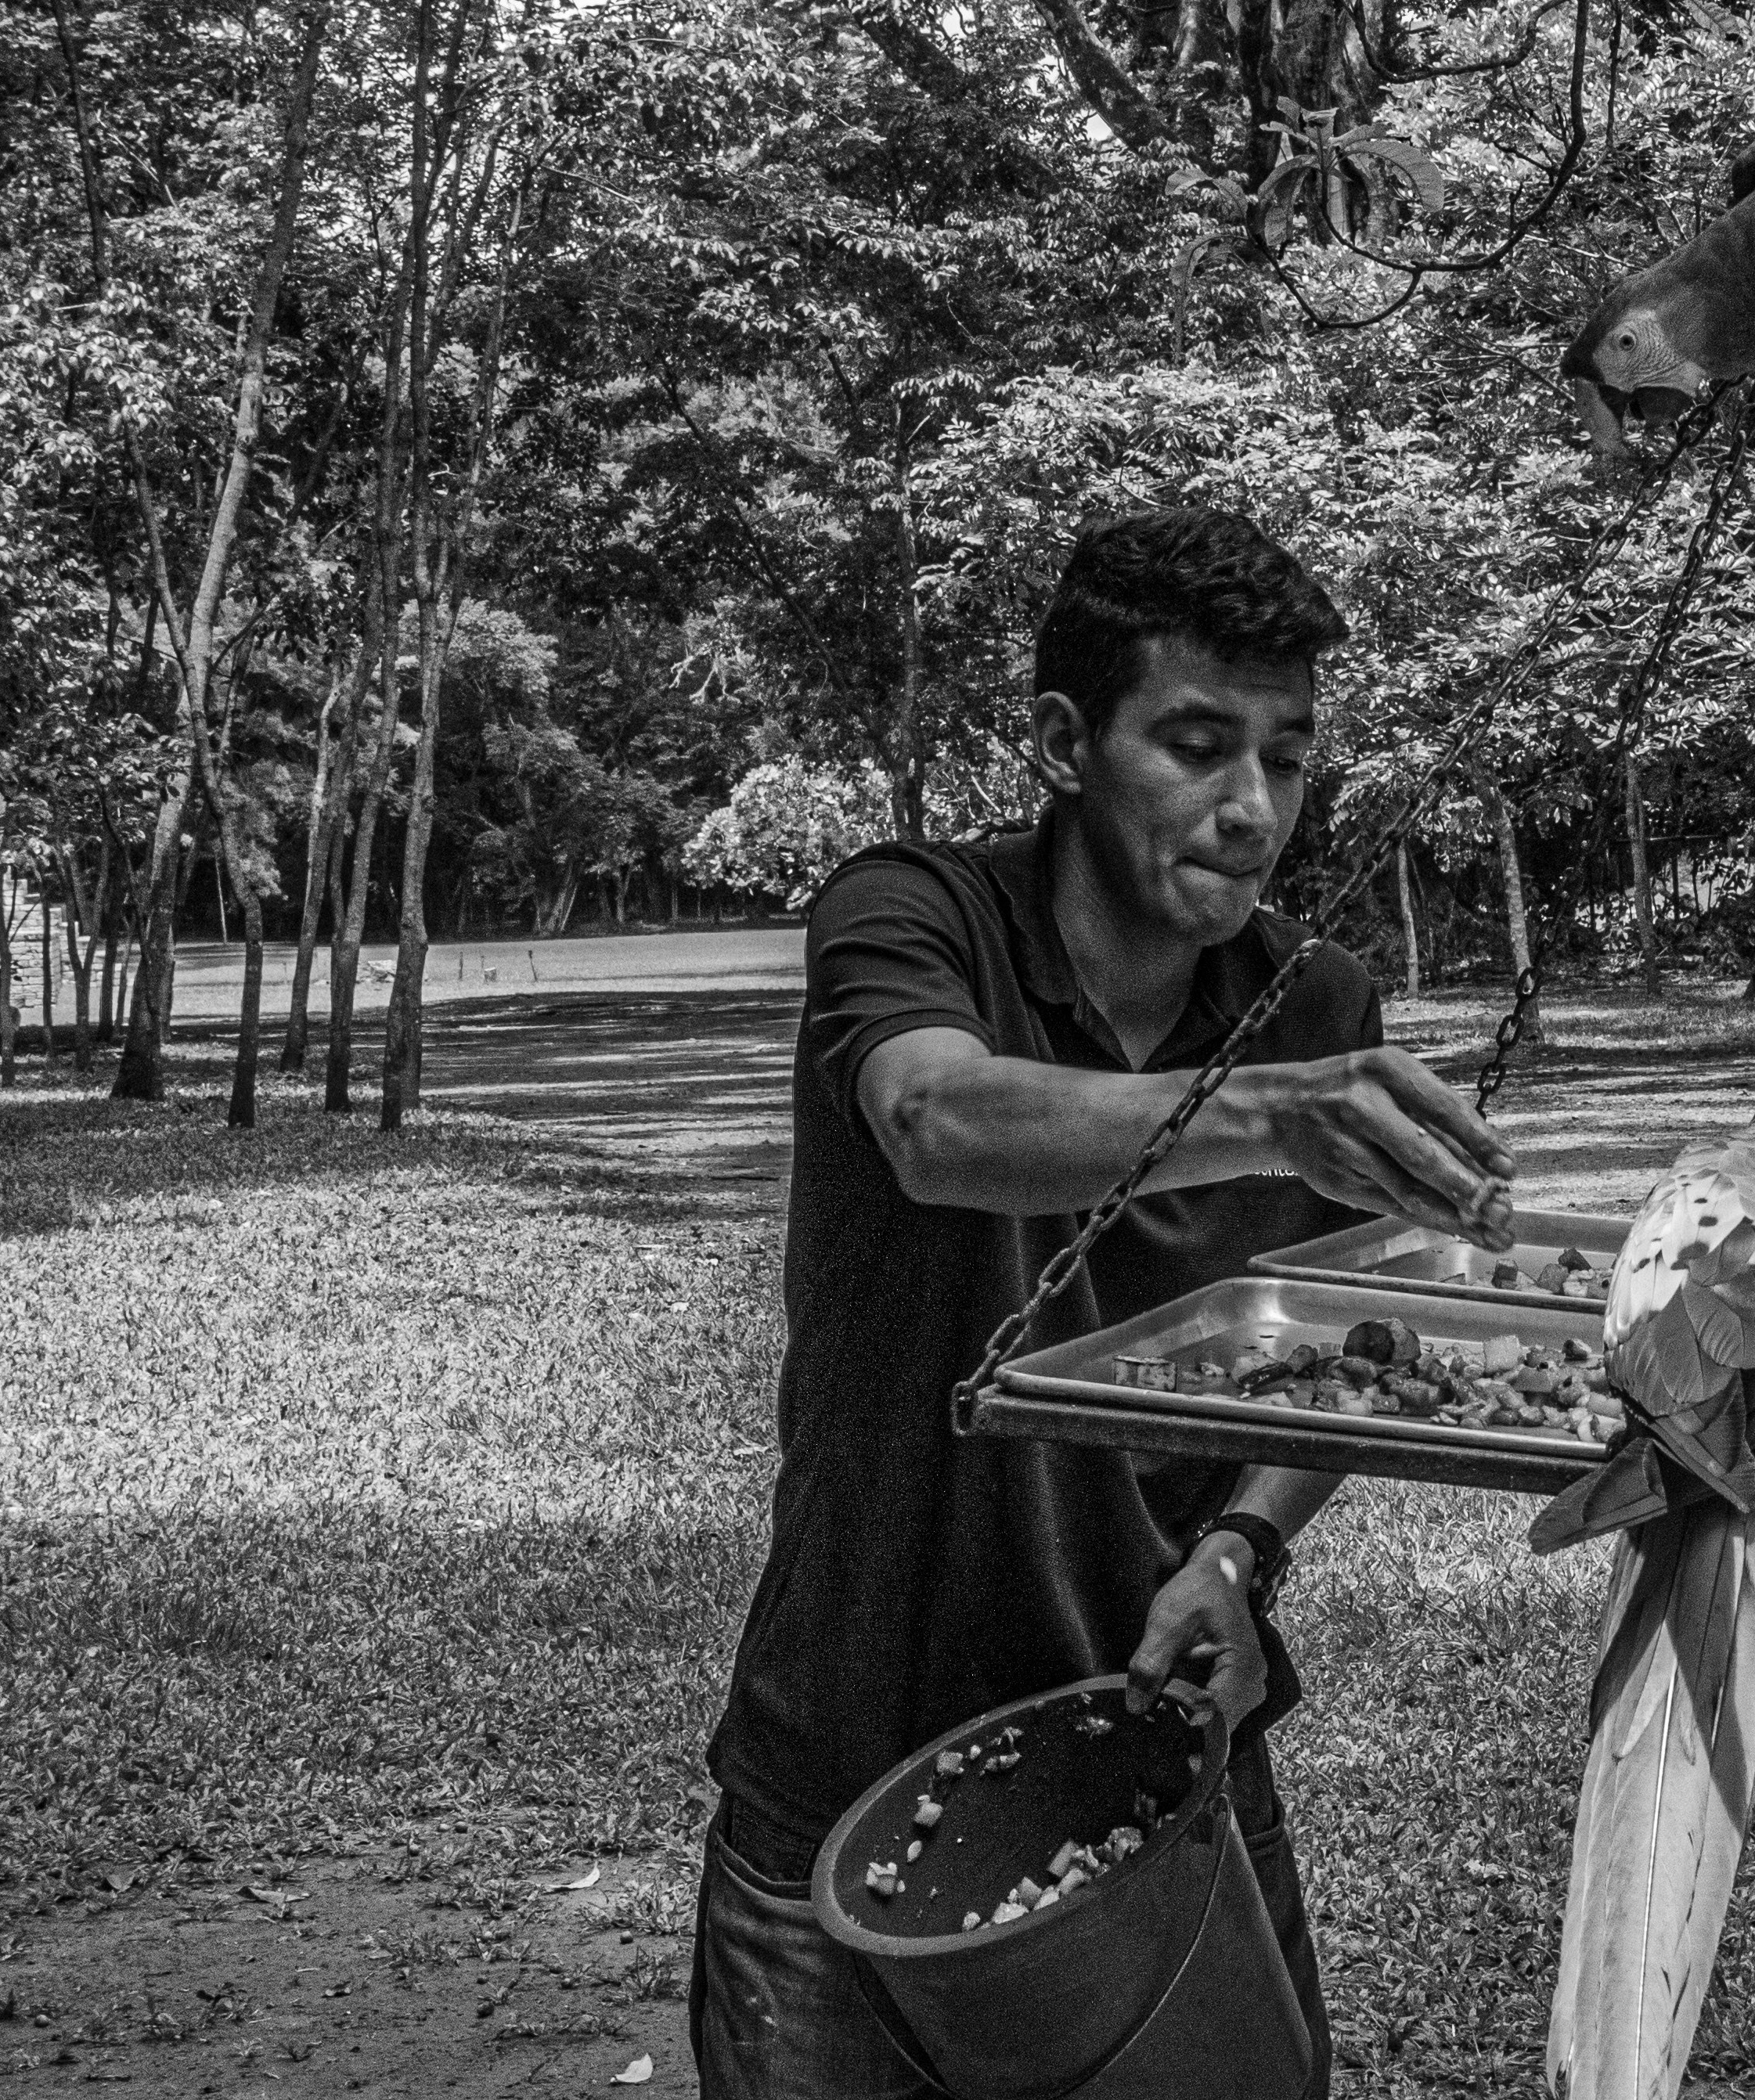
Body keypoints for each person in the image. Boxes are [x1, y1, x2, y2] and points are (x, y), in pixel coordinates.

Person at [691, 508, 1519, 2097]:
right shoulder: (915, 914)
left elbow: (1351, 1342)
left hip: (1167, 1731)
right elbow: (940, 1123)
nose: (1253, 808)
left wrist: (1243, 1546)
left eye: (1286, 756)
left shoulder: (1314, 997)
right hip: (853, 1748)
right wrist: (1270, 1110)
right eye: (1198, 746)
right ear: (1067, 741)